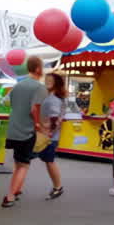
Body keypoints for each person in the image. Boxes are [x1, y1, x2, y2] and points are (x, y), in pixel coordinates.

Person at [1, 56, 47, 208]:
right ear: (38, 69)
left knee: (18, 161)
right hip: (26, 130)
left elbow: (10, 103)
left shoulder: (18, 85)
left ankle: (17, 189)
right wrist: (38, 124)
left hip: (13, 128)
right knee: (24, 165)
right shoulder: (39, 87)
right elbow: (35, 108)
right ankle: (10, 196)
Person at [38, 72, 67, 200]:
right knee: (47, 161)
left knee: (49, 161)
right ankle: (57, 186)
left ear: (56, 83)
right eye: (46, 80)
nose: (47, 82)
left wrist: (50, 133)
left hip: (48, 135)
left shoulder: (54, 99)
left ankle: (58, 187)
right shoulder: (52, 97)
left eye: (50, 80)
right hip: (46, 134)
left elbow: (55, 118)